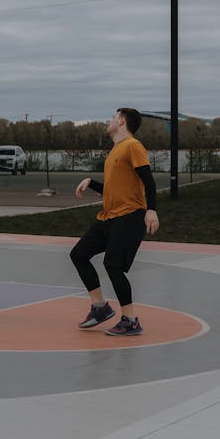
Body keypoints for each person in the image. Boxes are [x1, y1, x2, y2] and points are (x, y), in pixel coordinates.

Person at [71, 107, 160, 336]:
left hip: (130, 216)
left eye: (112, 117)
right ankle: (100, 307)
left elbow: (149, 182)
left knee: (113, 265)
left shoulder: (133, 146)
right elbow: (113, 189)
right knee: (79, 254)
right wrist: (91, 182)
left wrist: (152, 210)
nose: (108, 121)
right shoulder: (115, 151)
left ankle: (130, 320)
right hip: (109, 217)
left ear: (121, 121)